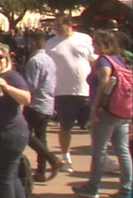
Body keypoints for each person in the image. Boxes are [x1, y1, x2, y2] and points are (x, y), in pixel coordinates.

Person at [72, 30, 132, 198]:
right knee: (123, 150)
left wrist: (95, 109)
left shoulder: (103, 62)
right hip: (122, 111)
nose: (93, 46)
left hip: (105, 111)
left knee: (99, 150)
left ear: (103, 44)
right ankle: (127, 189)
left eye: (96, 43)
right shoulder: (120, 61)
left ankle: (93, 187)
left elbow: (102, 85)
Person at [45, 14, 94, 173]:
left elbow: (94, 60)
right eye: (55, 25)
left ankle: (101, 157)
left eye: (59, 25)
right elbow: (47, 67)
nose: (57, 28)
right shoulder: (51, 43)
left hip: (86, 90)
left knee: (94, 126)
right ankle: (65, 157)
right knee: (65, 127)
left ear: (70, 24)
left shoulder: (84, 39)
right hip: (62, 92)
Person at [0, 44, 32, 198]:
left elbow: (26, 98)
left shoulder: (11, 76)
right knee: (11, 176)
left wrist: (7, 87)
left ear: (7, 59)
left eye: (0, 57)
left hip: (8, 133)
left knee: (3, 179)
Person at [21, 31, 62, 182]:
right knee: (41, 137)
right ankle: (41, 170)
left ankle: (50, 159)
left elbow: (31, 85)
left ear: (33, 43)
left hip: (35, 104)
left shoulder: (35, 61)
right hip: (47, 102)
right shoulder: (49, 59)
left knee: (24, 134)